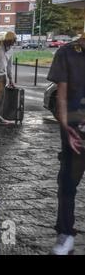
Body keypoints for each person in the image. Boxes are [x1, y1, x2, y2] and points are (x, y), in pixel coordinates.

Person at [47, 34, 85, 255]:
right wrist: (65, 129)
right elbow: (60, 97)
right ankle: (65, 234)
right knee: (68, 183)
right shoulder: (67, 52)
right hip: (76, 132)